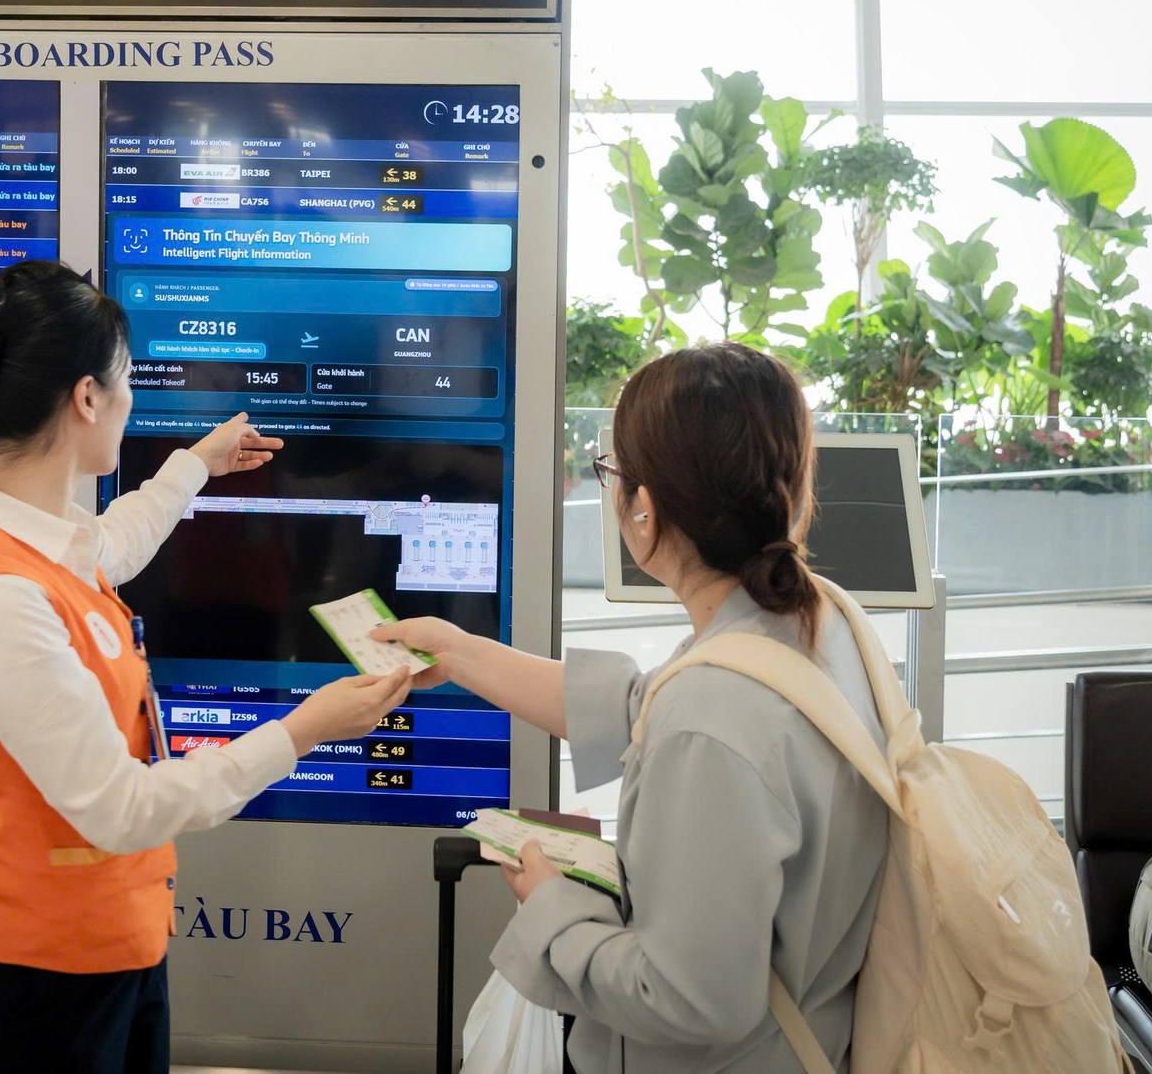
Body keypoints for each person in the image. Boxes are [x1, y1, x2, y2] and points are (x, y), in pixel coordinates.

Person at [0, 260, 413, 1074]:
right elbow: (123, 809)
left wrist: (196, 465)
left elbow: (112, 542)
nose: (131, 398)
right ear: (87, 398)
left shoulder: (28, 537)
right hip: (37, 989)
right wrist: (303, 731)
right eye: (127, 379)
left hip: (107, 953)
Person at [379, 343, 892, 1072]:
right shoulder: (819, 622)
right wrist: (460, 654)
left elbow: (688, 1000)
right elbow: (642, 707)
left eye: (612, 472)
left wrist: (553, 906)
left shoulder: (711, 714)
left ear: (643, 510)